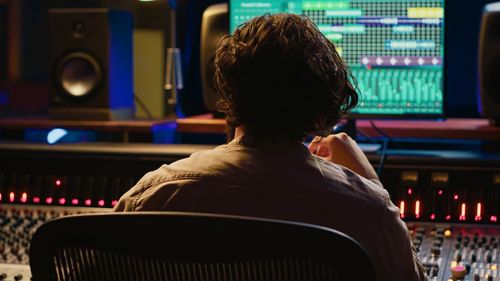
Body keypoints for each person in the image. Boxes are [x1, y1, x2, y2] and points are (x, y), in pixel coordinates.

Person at [114, 13, 426, 281]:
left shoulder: (156, 193)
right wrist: (370, 185)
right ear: (322, 113)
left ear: (228, 93)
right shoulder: (368, 210)